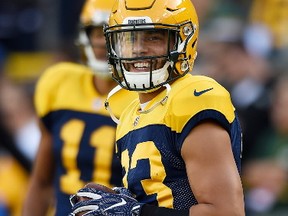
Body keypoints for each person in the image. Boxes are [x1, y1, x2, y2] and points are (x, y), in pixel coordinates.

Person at [69, 0, 245, 215]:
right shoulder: (130, 113)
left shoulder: (194, 97)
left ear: (183, 41)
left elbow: (226, 212)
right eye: (129, 38)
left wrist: (136, 212)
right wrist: (120, 201)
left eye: (153, 37)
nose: (139, 48)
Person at [22, 0, 137, 215]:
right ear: (86, 35)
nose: (104, 43)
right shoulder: (59, 82)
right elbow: (41, 180)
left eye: (113, 35)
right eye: (98, 33)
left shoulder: (145, 97)